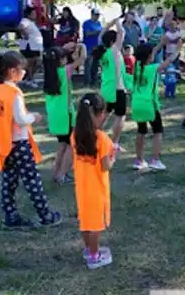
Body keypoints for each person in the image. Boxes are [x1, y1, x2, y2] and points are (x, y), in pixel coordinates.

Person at [0, 50, 62, 229]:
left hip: (5, 145)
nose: (25, 73)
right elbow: (20, 119)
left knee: (9, 182)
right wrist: (33, 117)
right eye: (22, 70)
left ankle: (10, 217)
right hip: (19, 145)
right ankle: (46, 216)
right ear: (13, 71)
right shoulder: (14, 93)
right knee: (32, 181)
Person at [71, 92, 115, 269]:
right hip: (96, 187)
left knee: (85, 220)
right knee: (96, 224)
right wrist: (113, 157)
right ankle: (95, 256)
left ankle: (89, 249)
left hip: (81, 186)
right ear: (99, 114)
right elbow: (105, 166)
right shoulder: (102, 139)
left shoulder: (75, 135)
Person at [130, 39, 181, 171]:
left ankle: (138, 160)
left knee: (141, 131)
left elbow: (148, 52)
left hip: (136, 103)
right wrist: (178, 49)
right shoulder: (153, 68)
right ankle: (155, 159)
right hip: (149, 104)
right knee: (158, 131)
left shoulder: (136, 66)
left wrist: (160, 44)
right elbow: (169, 61)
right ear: (149, 56)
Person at [43, 46, 78, 185]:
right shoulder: (64, 71)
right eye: (64, 57)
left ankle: (57, 173)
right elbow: (82, 58)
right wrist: (78, 46)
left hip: (55, 115)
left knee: (62, 145)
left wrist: (64, 49)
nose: (66, 59)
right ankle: (62, 175)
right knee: (71, 145)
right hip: (65, 115)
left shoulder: (49, 74)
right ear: (60, 60)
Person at [94, 16, 127, 151]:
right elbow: (122, 33)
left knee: (104, 115)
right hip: (117, 88)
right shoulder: (114, 50)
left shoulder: (102, 51)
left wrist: (110, 24)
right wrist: (118, 21)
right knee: (120, 117)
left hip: (106, 88)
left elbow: (101, 35)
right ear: (113, 41)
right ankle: (114, 143)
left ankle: (95, 137)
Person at [16, 7, 44, 88]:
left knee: (37, 63)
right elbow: (20, 27)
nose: (35, 15)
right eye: (33, 14)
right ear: (28, 14)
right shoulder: (25, 21)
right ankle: (30, 80)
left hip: (35, 46)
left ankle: (27, 78)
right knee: (30, 63)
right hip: (29, 46)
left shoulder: (31, 22)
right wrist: (25, 34)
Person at [82, 8, 103, 86]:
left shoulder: (99, 23)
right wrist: (98, 32)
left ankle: (94, 81)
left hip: (97, 47)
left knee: (95, 65)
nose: (97, 17)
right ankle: (87, 82)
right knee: (88, 65)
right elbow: (87, 33)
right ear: (92, 15)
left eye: (98, 15)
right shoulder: (87, 23)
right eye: (95, 15)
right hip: (88, 46)